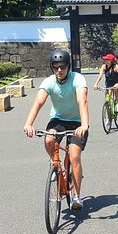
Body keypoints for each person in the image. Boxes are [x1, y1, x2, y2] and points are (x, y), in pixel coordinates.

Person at [23, 49, 89, 211]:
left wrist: (84, 125)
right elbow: (38, 103)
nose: (59, 70)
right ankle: (55, 162)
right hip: (58, 120)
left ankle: (76, 196)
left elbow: (83, 101)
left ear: (69, 67)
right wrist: (28, 123)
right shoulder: (49, 82)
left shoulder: (77, 79)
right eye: (56, 67)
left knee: (74, 156)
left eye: (62, 67)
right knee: (49, 139)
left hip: (77, 122)